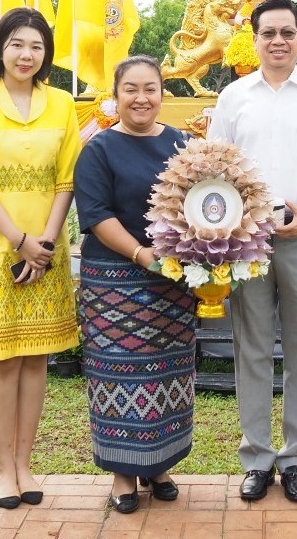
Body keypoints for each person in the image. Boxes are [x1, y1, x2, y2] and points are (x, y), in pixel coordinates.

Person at [208, 0, 297, 503]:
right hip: (245, 241)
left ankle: (295, 459)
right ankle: (257, 458)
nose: (278, 41)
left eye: (287, 32)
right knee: (250, 348)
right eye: (268, 33)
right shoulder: (234, 98)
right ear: (254, 38)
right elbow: (213, 167)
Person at [0, 8, 79, 510]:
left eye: (36, 46)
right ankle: (4, 469)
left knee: (36, 358)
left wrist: (44, 245)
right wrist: (19, 238)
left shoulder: (63, 103)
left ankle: (26, 463)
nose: (26, 55)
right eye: (17, 44)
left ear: (46, 54)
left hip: (47, 246)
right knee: (3, 359)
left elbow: (67, 180)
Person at [74, 56, 195, 514]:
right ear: (116, 93)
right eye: (131, 89)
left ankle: (158, 466)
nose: (141, 98)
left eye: (150, 88)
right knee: (118, 374)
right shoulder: (99, 148)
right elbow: (97, 215)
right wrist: (143, 256)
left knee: (168, 375)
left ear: (162, 93)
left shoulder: (183, 144)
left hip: (174, 283)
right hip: (115, 281)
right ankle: (123, 473)